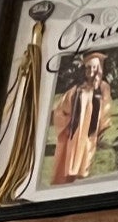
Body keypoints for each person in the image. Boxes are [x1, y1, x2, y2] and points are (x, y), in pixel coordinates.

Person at [48, 51, 113, 184]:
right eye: (88, 67)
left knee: (85, 162)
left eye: (93, 67)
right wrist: (64, 123)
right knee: (70, 163)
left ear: (98, 69)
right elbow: (61, 109)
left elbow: (106, 108)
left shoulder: (103, 88)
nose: (90, 70)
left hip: (90, 133)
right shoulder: (77, 89)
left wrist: (101, 126)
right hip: (75, 133)